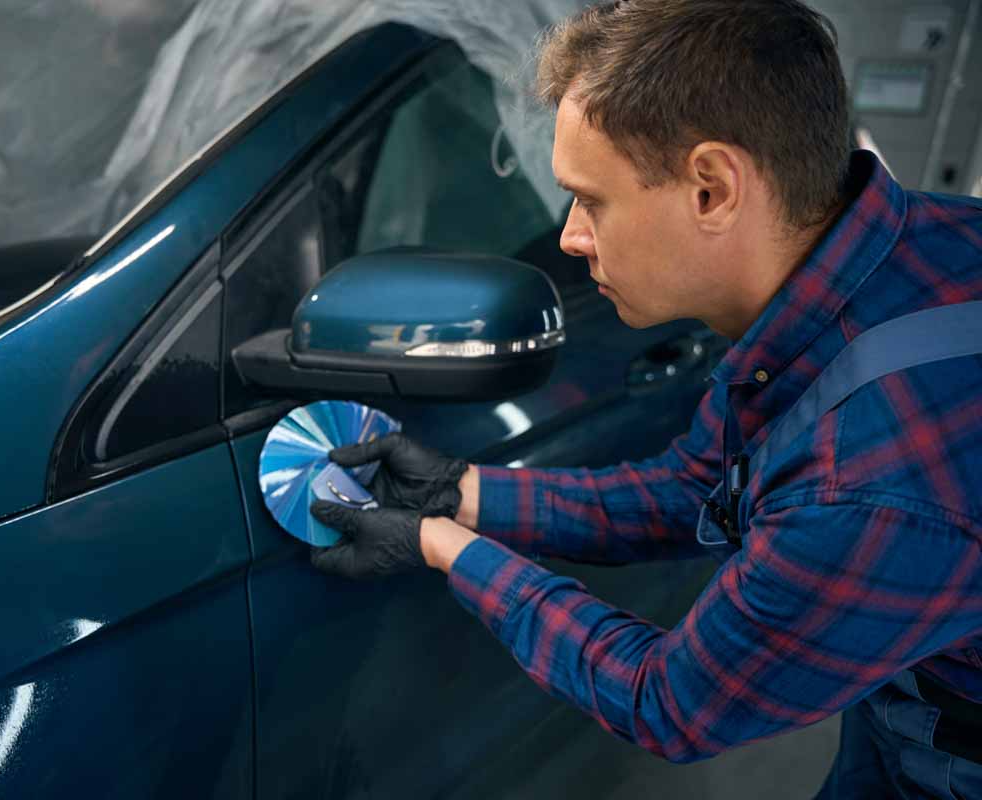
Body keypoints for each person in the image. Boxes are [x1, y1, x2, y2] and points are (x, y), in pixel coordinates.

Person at [306, 1, 982, 797]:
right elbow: (697, 482)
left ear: (711, 189)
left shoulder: (865, 485)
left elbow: (670, 702)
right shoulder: (927, 244)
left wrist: (443, 547)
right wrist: (463, 493)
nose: (569, 236)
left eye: (591, 199)